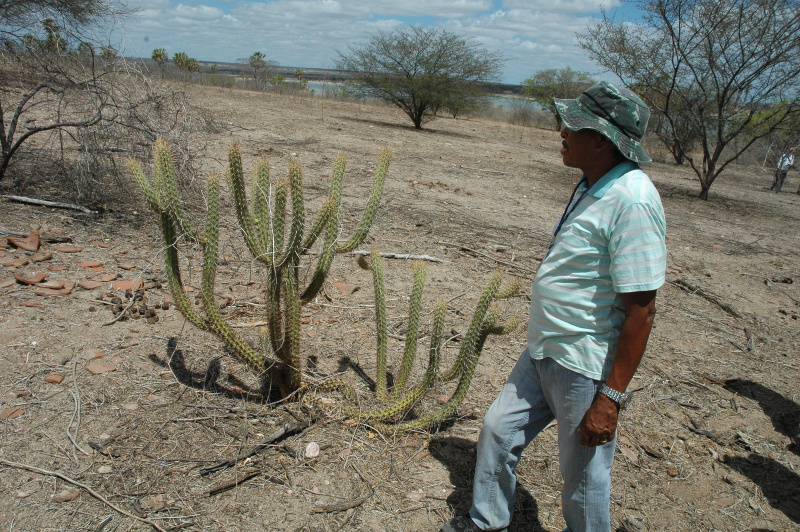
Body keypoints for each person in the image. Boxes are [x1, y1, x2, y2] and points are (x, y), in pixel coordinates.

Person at [442, 81, 667, 532]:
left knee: (583, 477)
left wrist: (612, 396)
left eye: (573, 126)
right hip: (545, 348)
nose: (561, 132)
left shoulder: (634, 200)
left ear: (601, 140)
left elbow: (641, 310)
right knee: (498, 431)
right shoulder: (593, 182)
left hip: (583, 363)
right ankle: (488, 521)